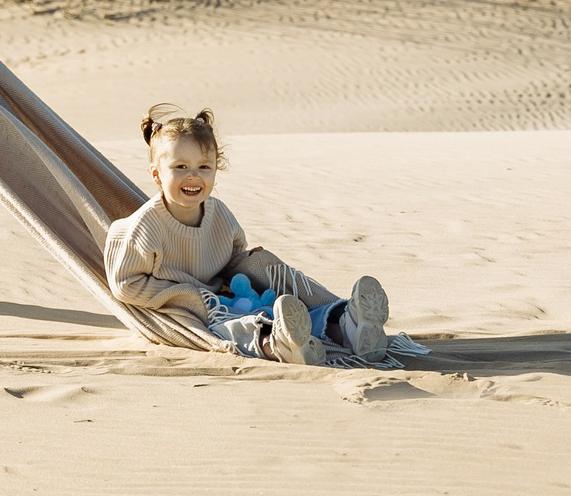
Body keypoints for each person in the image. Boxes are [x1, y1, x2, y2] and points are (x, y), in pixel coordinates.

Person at [103, 105, 391, 363]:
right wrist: (187, 294)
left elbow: (233, 252)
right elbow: (125, 283)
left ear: (217, 170)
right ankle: (277, 343)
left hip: (227, 291)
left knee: (271, 286)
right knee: (232, 325)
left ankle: (345, 324)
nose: (193, 176)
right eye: (180, 167)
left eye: (204, 167)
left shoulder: (218, 213)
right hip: (191, 306)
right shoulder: (145, 227)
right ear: (156, 175)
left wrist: (248, 263)